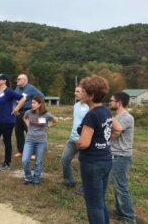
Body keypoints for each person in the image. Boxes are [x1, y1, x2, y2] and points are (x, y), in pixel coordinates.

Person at [76, 75, 122, 224]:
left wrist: (77, 142)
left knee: (93, 204)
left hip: (92, 163)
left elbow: (84, 143)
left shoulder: (91, 115)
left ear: (91, 95)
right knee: (99, 200)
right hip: (106, 159)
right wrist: (104, 141)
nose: (80, 93)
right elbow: (117, 129)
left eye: (83, 91)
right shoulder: (106, 111)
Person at [0, 73, 26, 171]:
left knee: (6, 141)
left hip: (8, 121)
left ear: (5, 81)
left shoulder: (9, 91)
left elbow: (23, 98)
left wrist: (16, 109)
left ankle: (7, 163)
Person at [109, 92, 136, 224]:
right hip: (115, 154)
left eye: (111, 100)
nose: (110, 102)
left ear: (118, 102)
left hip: (121, 156)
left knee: (121, 187)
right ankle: (121, 211)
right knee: (117, 185)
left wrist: (106, 141)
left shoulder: (126, 117)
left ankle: (129, 218)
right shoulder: (118, 116)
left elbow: (115, 132)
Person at [22, 95, 57, 185]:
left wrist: (48, 126)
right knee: (25, 160)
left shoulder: (46, 114)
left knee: (38, 162)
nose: (32, 104)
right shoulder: (29, 112)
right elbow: (25, 117)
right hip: (29, 140)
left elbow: (55, 120)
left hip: (41, 141)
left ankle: (36, 180)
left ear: (40, 104)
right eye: (32, 102)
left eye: (34, 103)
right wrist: (28, 125)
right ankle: (28, 178)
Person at [59, 86, 89, 187]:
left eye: (78, 91)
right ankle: (69, 181)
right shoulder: (76, 105)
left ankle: (85, 187)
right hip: (72, 139)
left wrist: (84, 138)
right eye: (75, 91)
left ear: (84, 93)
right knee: (64, 159)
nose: (75, 93)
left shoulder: (89, 107)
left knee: (84, 164)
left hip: (83, 140)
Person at [14, 74, 44, 157]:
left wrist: (33, 106)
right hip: (18, 113)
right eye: (17, 79)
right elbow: (13, 98)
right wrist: (14, 107)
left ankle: (33, 153)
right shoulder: (17, 88)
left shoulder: (31, 88)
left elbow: (41, 96)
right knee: (18, 131)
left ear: (24, 80)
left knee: (29, 132)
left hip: (28, 113)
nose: (17, 80)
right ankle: (21, 151)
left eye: (18, 79)